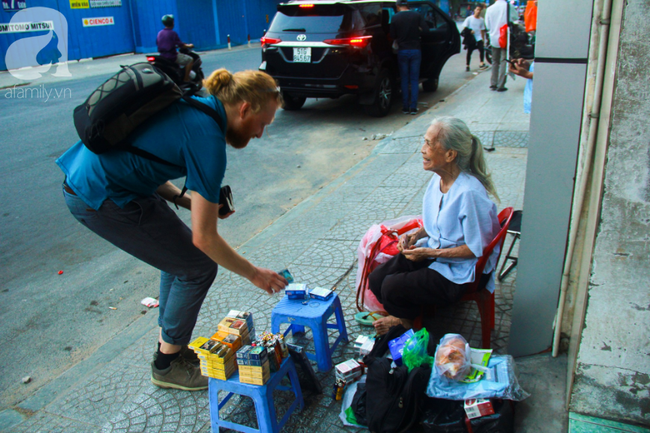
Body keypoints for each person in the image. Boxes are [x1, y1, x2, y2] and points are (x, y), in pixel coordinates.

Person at [56, 69, 288, 391]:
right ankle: (166, 365)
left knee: (179, 258)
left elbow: (143, 162)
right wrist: (255, 274)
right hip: (101, 195)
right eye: (262, 123)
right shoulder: (208, 140)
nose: (260, 133)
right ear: (245, 108)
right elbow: (205, 239)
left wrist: (190, 201)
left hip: (105, 180)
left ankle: (171, 346)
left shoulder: (196, 104)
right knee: (196, 266)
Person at [369, 117, 501, 335]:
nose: (423, 150)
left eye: (430, 144)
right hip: (436, 255)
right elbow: (437, 223)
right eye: (424, 142)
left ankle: (406, 321)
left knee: (392, 287)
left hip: (460, 272)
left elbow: (476, 249)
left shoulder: (469, 193)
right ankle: (411, 313)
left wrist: (429, 252)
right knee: (377, 278)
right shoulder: (438, 180)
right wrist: (415, 235)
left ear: (450, 154)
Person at [390, 0, 428, 115]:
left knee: (404, 80)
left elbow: (392, 35)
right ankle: (414, 107)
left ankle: (405, 107)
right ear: (407, 5)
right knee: (414, 80)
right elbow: (426, 30)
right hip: (416, 50)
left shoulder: (395, 18)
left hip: (402, 51)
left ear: (397, 6)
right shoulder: (416, 15)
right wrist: (417, 32)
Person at [485, 0, 517, 92]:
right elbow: (515, 17)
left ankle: (493, 83)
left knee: (495, 61)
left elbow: (487, 25)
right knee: (504, 60)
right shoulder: (508, 6)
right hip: (505, 37)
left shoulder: (490, 9)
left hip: (494, 38)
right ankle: (501, 85)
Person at [157, 14, 195, 82]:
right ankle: (186, 79)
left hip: (162, 56)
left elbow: (158, 43)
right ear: (172, 23)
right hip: (172, 56)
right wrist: (189, 46)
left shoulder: (160, 33)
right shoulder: (172, 33)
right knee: (190, 60)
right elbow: (181, 45)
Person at [461, 6, 488, 71]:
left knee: (481, 49)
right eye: (477, 9)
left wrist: (483, 40)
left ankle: (481, 63)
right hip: (471, 39)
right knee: (469, 52)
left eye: (480, 10)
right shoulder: (469, 19)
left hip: (479, 38)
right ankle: (467, 65)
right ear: (474, 10)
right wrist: (470, 31)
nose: (478, 11)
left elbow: (482, 30)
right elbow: (464, 28)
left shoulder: (481, 20)